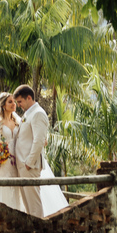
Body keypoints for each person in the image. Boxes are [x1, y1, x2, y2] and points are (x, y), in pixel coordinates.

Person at [12, 85, 68, 218]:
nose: (18, 105)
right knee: (27, 204)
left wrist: (29, 163)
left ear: (29, 98)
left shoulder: (38, 113)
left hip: (29, 166)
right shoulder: (28, 113)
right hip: (23, 165)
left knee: (34, 204)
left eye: (20, 101)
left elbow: (38, 141)